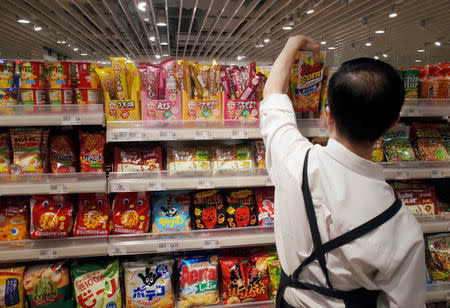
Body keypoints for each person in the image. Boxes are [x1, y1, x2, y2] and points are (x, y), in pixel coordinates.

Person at [261, 35, 425, 308]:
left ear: (329, 114)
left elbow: (273, 95)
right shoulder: (402, 227)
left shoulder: (293, 159)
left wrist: (293, 43)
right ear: (393, 123)